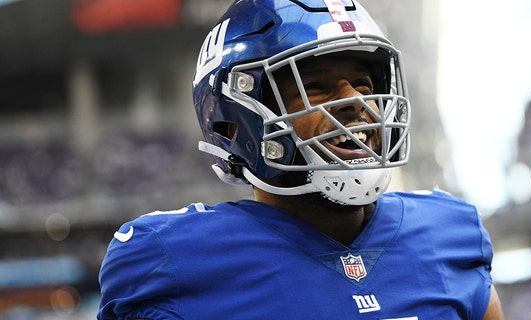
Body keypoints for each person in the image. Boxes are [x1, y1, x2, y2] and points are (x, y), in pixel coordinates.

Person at [97, 0, 504, 319]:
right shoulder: (172, 260)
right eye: (317, 87)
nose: (355, 101)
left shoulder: (451, 232)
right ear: (240, 119)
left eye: (363, 83)